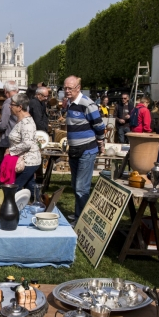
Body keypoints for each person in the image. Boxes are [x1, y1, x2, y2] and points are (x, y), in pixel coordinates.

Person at [63, 75, 105, 223]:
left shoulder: (87, 104)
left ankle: (82, 220)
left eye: (70, 88)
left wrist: (100, 141)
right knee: (75, 185)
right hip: (74, 149)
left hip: (87, 150)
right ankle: (78, 214)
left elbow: (99, 125)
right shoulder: (70, 102)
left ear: (78, 88)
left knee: (82, 187)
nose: (67, 91)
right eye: (65, 88)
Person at [6, 93, 41, 192]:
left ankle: (11, 205)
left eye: (12, 104)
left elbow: (27, 143)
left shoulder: (27, 123)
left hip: (29, 161)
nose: (10, 106)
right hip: (24, 160)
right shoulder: (20, 121)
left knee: (13, 189)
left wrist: (10, 151)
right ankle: (44, 204)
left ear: (19, 107)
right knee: (31, 188)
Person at [0, 81, 18, 183]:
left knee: (1, 166)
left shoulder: (8, 102)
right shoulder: (23, 101)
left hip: (8, 140)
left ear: (5, 91)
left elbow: (3, 124)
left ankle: (4, 190)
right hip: (18, 139)